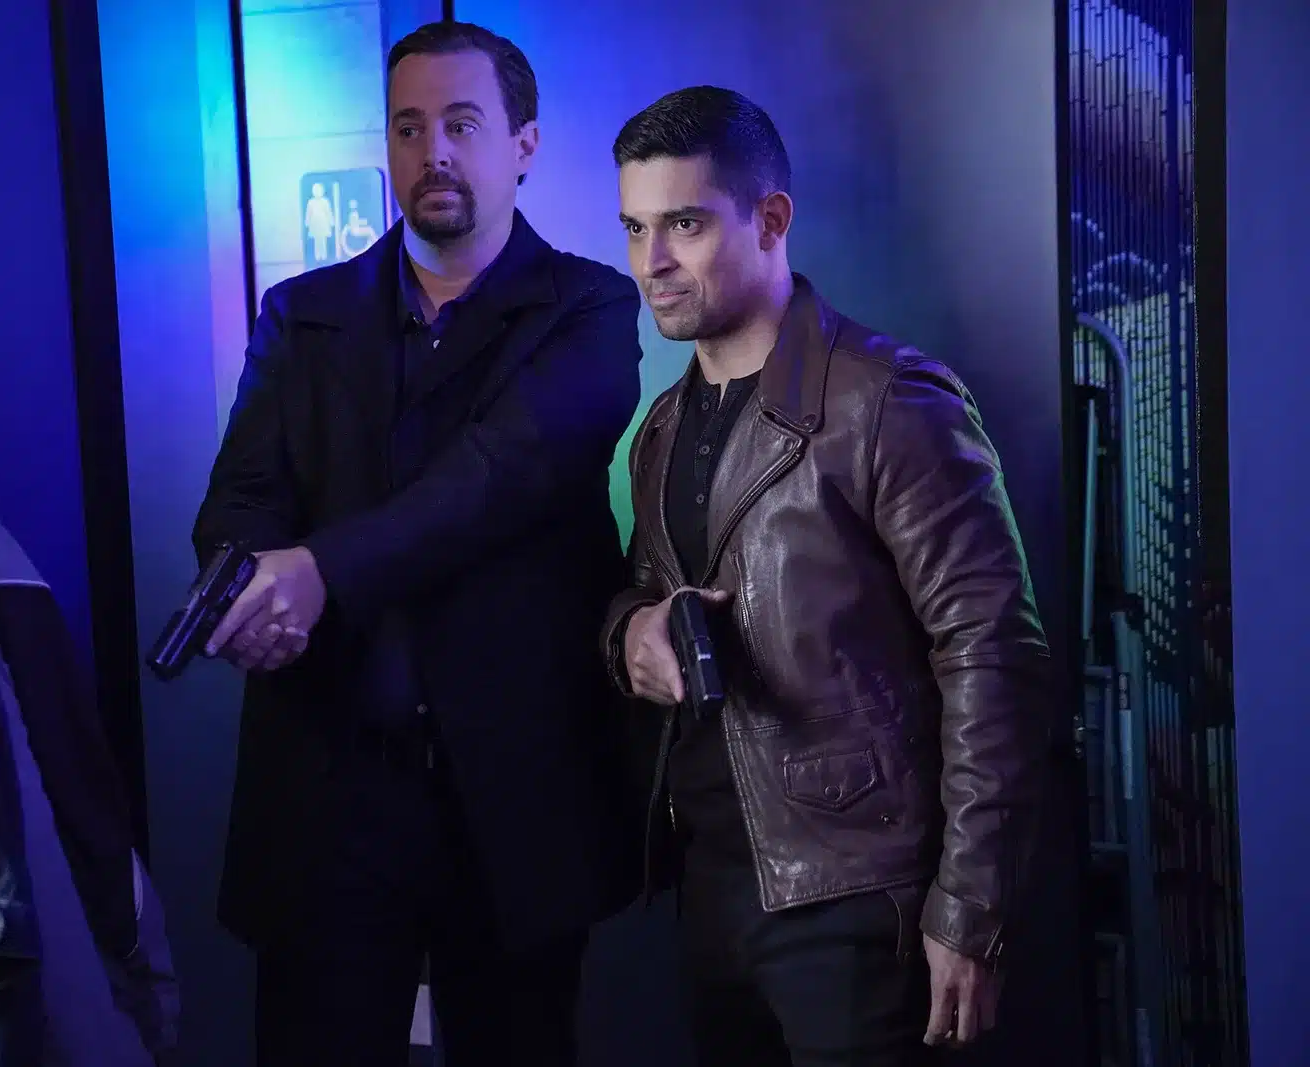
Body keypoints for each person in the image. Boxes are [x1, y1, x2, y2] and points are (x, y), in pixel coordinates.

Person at [193, 21, 644, 1067]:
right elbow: (238, 503)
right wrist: (250, 595)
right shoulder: (301, 315)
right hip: (330, 792)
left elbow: (497, 477)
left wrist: (319, 572)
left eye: (460, 124)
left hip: (514, 794)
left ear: (523, 144)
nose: (431, 151)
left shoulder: (587, 306)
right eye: (407, 127)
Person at [601, 86, 1054, 1067]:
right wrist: (633, 630)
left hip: (858, 900)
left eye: (684, 223)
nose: (651, 261)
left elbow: (992, 653)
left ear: (771, 219)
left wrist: (971, 908)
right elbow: (647, 590)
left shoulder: (889, 401)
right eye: (635, 227)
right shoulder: (662, 429)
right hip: (710, 890)